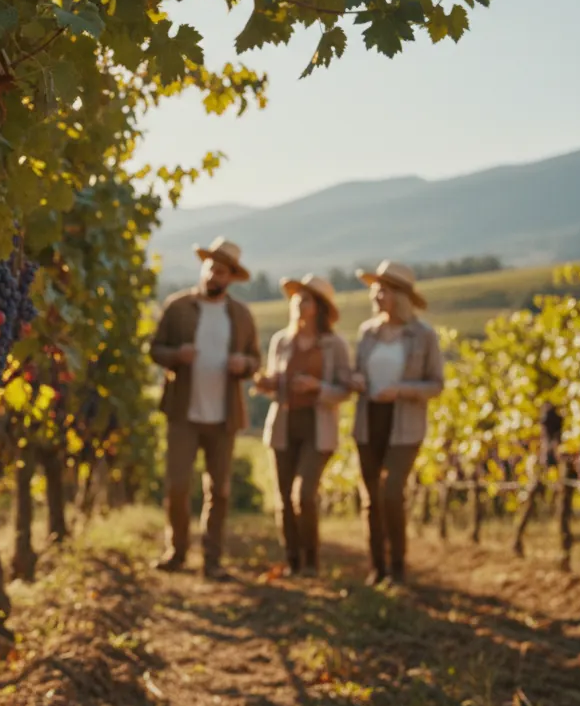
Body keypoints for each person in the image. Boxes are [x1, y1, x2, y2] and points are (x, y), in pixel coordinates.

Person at [148, 237, 262, 579]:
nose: (215, 275)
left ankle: (212, 560)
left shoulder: (241, 315)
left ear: (230, 277)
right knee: (177, 485)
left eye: (222, 271)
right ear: (204, 268)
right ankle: (177, 551)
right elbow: (155, 349)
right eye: (212, 268)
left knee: (220, 491)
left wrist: (244, 364)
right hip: (184, 412)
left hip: (224, 416)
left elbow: (256, 361)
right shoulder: (178, 306)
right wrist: (175, 357)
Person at [347, 260, 443, 585]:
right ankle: (378, 567)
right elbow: (355, 370)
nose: (376, 295)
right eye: (375, 288)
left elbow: (436, 384)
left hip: (405, 424)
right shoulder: (367, 332)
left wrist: (401, 391)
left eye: (383, 289)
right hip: (369, 419)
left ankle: (398, 564)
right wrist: (356, 379)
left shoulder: (423, 336)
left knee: (391, 492)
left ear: (399, 295)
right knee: (371, 497)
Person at [253, 274, 352, 576]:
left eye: (305, 298)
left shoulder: (334, 345)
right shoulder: (281, 341)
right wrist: (267, 383)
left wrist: (317, 387)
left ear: (318, 307)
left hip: (317, 427)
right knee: (284, 500)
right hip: (284, 425)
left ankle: (312, 560)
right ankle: (292, 560)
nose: (297, 302)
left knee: (304, 494)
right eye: (296, 297)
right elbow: (275, 383)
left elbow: (345, 389)